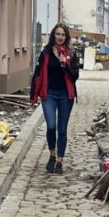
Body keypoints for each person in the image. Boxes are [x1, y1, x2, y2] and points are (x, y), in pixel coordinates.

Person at [30, 23, 80, 174]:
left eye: (63, 35)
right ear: (53, 35)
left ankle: (60, 160)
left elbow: (75, 76)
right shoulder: (45, 52)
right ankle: (52, 154)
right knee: (51, 125)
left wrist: (65, 65)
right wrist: (33, 95)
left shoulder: (71, 54)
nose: (60, 37)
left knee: (62, 128)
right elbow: (38, 74)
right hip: (49, 94)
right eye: (58, 34)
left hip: (66, 95)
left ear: (66, 37)